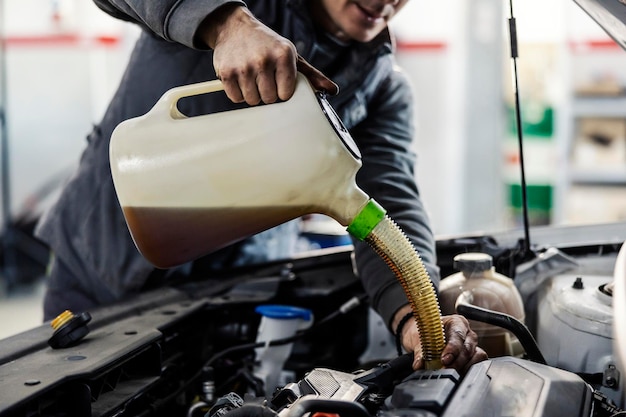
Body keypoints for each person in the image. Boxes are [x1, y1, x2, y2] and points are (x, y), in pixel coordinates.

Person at [35, 0, 487, 374]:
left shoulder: (382, 89)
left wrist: (416, 317)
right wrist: (225, 22)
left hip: (229, 301)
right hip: (100, 272)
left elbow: (388, 206)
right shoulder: (243, 8)